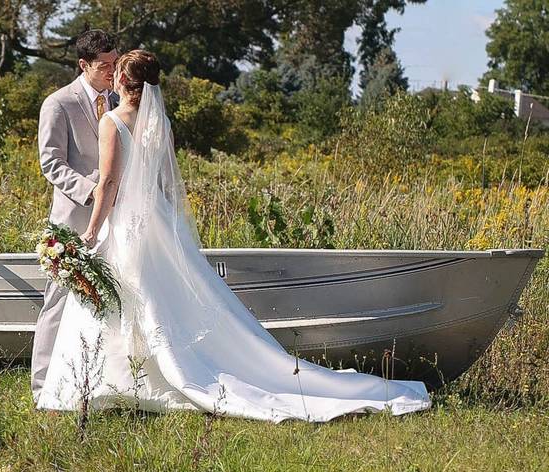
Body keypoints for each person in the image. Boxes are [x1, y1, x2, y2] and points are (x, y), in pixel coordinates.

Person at [35, 50, 432, 422]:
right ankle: (127, 380)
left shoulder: (112, 121)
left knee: (123, 296)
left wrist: (90, 232)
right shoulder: (161, 122)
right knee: (155, 296)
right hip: (154, 219)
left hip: (123, 221)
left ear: (122, 77)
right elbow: (166, 183)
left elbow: (107, 183)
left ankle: (114, 383)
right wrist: (170, 227)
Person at [31, 30, 119, 401]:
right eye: (105, 66)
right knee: (59, 299)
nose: (113, 72)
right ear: (84, 65)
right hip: (73, 217)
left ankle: (101, 380)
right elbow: (51, 162)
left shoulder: (122, 99)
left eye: (116, 63)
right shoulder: (58, 103)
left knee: (113, 294)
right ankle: (42, 387)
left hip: (117, 217)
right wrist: (91, 191)